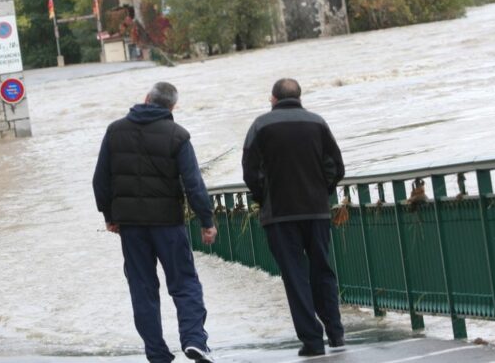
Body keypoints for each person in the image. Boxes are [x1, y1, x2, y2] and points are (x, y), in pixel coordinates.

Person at [93, 82, 217, 363]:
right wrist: (206, 221)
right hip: (168, 225)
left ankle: (157, 353)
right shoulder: (178, 135)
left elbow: (100, 180)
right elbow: (193, 184)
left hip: (131, 228)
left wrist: (109, 216)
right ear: (172, 107)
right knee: (184, 283)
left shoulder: (115, 131)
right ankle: (194, 340)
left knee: (142, 287)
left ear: (146, 98)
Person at [241, 78, 346, 357]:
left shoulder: (260, 126)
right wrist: (323, 192)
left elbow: (250, 171)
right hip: (316, 210)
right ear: (299, 97)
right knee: (322, 270)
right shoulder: (317, 123)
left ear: (273, 98)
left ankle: (312, 340)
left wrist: (263, 196)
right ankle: (336, 334)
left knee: (295, 276)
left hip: (279, 215)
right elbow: (336, 165)